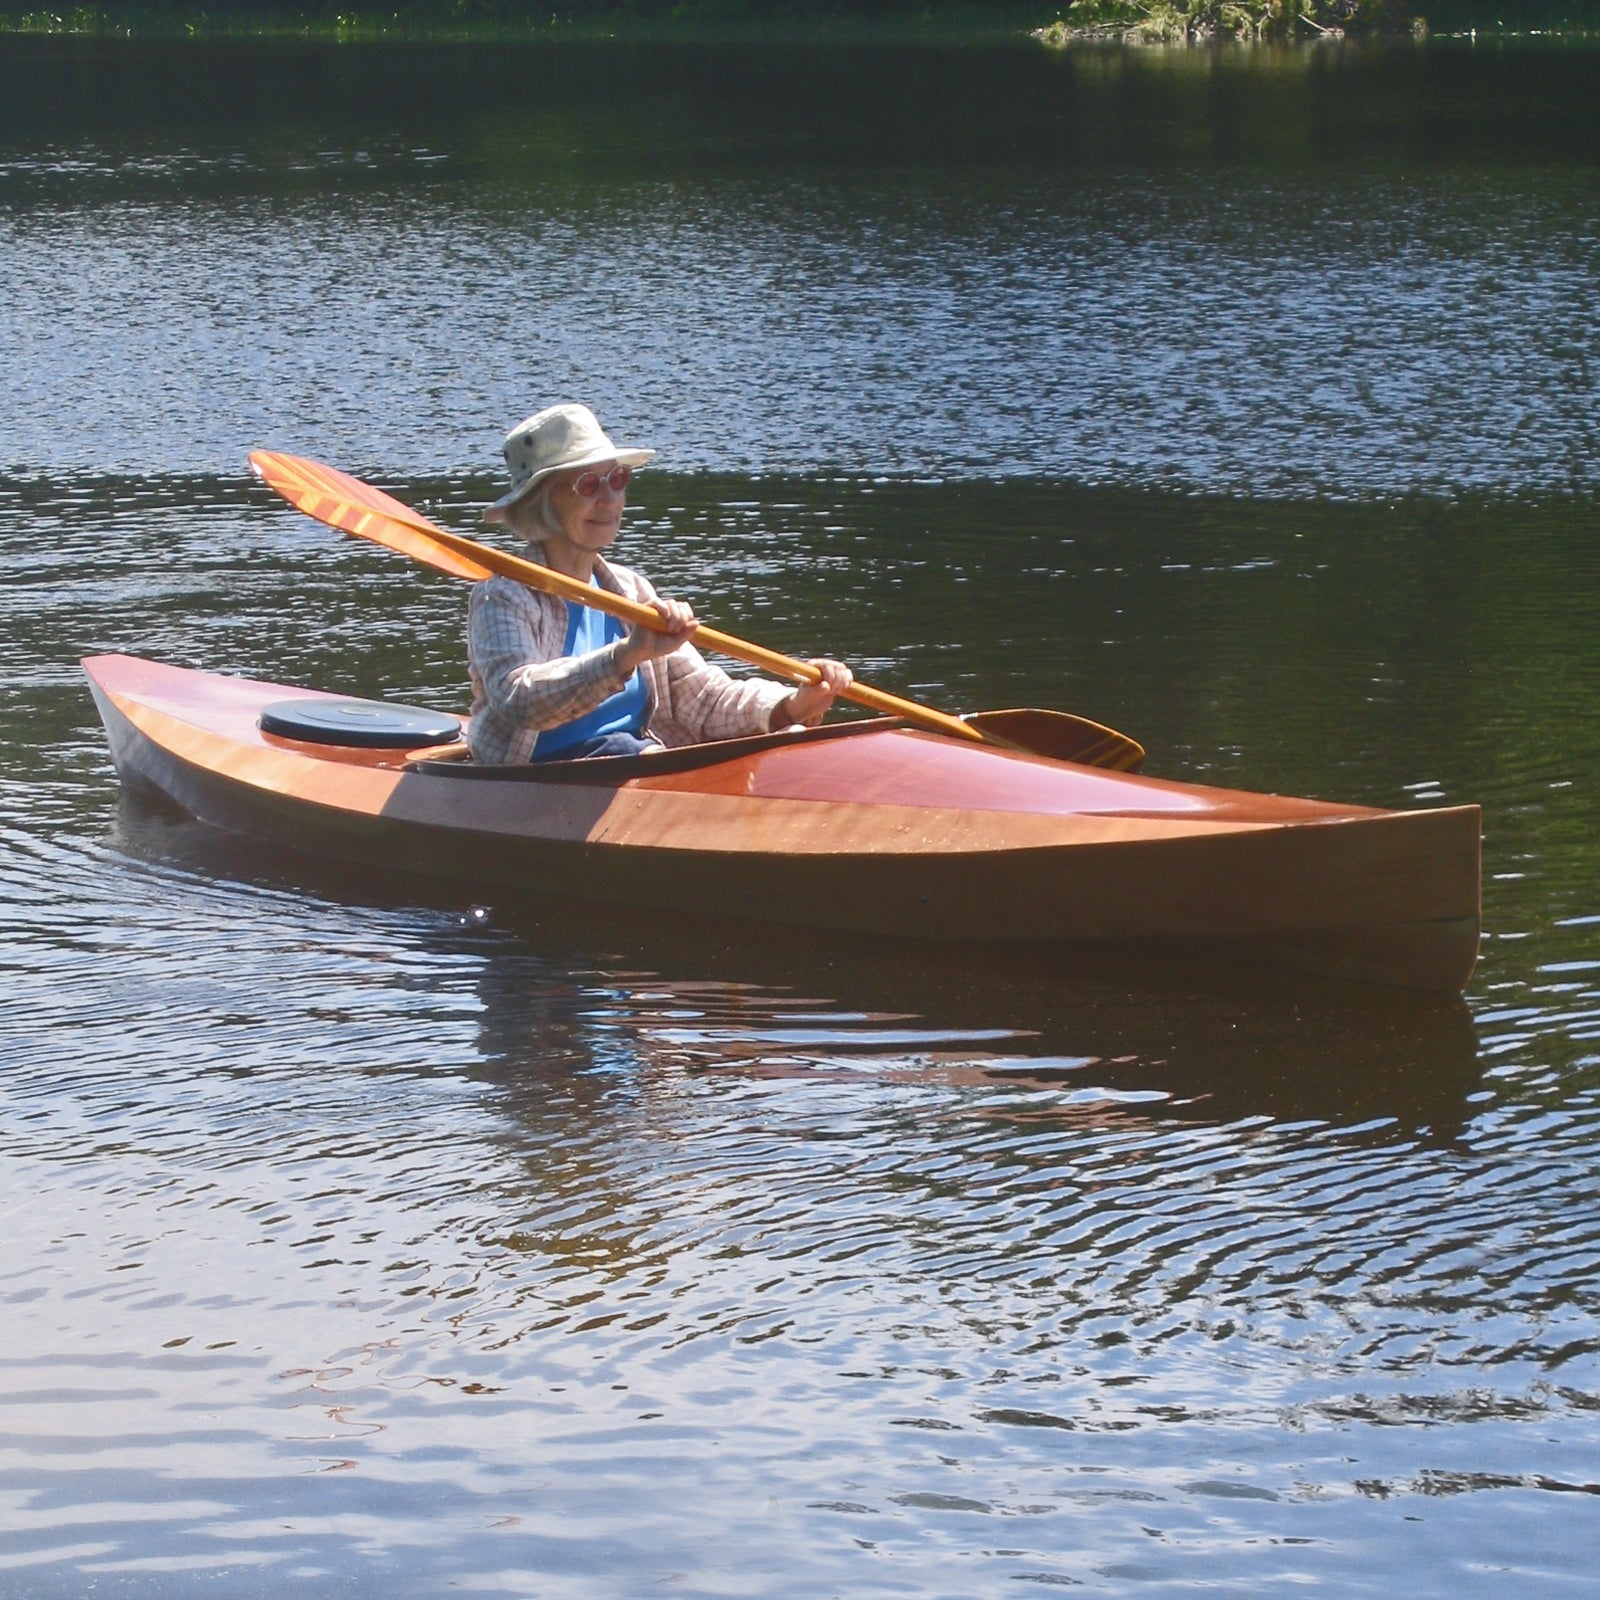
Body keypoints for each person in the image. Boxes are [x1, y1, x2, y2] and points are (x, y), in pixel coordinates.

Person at [467, 404, 853, 764]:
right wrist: (625, 656)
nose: (610, 499)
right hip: (539, 774)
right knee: (627, 750)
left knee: (787, 735)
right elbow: (520, 700)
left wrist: (791, 704)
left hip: (630, 759)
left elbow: (700, 699)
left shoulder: (631, 589)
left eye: (617, 480)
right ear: (542, 501)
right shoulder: (501, 595)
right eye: (588, 485)